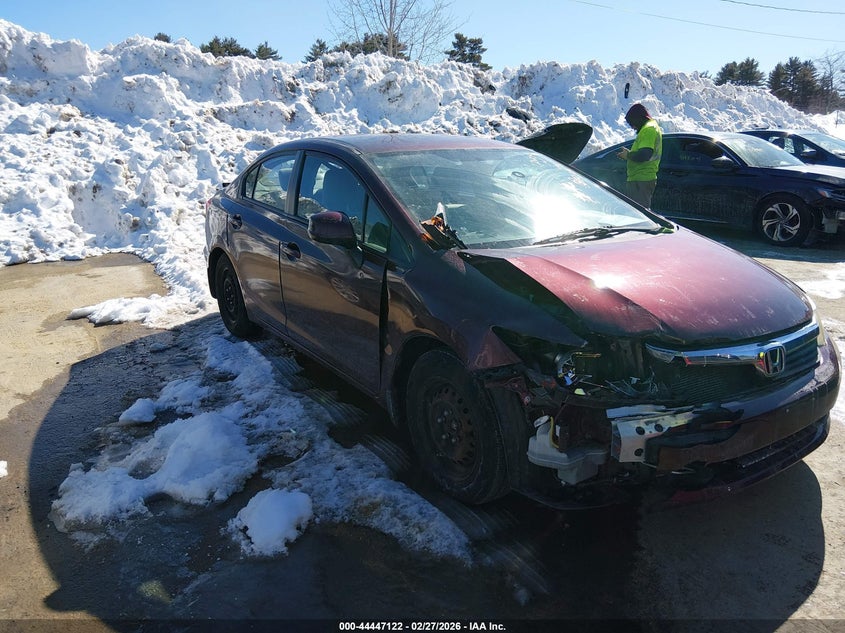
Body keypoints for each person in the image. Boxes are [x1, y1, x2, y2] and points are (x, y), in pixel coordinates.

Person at [617, 103, 662, 208]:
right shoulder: (651, 127)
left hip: (640, 180)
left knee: (639, 215)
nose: (632, 127)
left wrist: (627, 155)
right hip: (643, 179)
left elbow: (644, 155)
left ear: (638, 118)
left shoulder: (648, 130)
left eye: (632, 123)